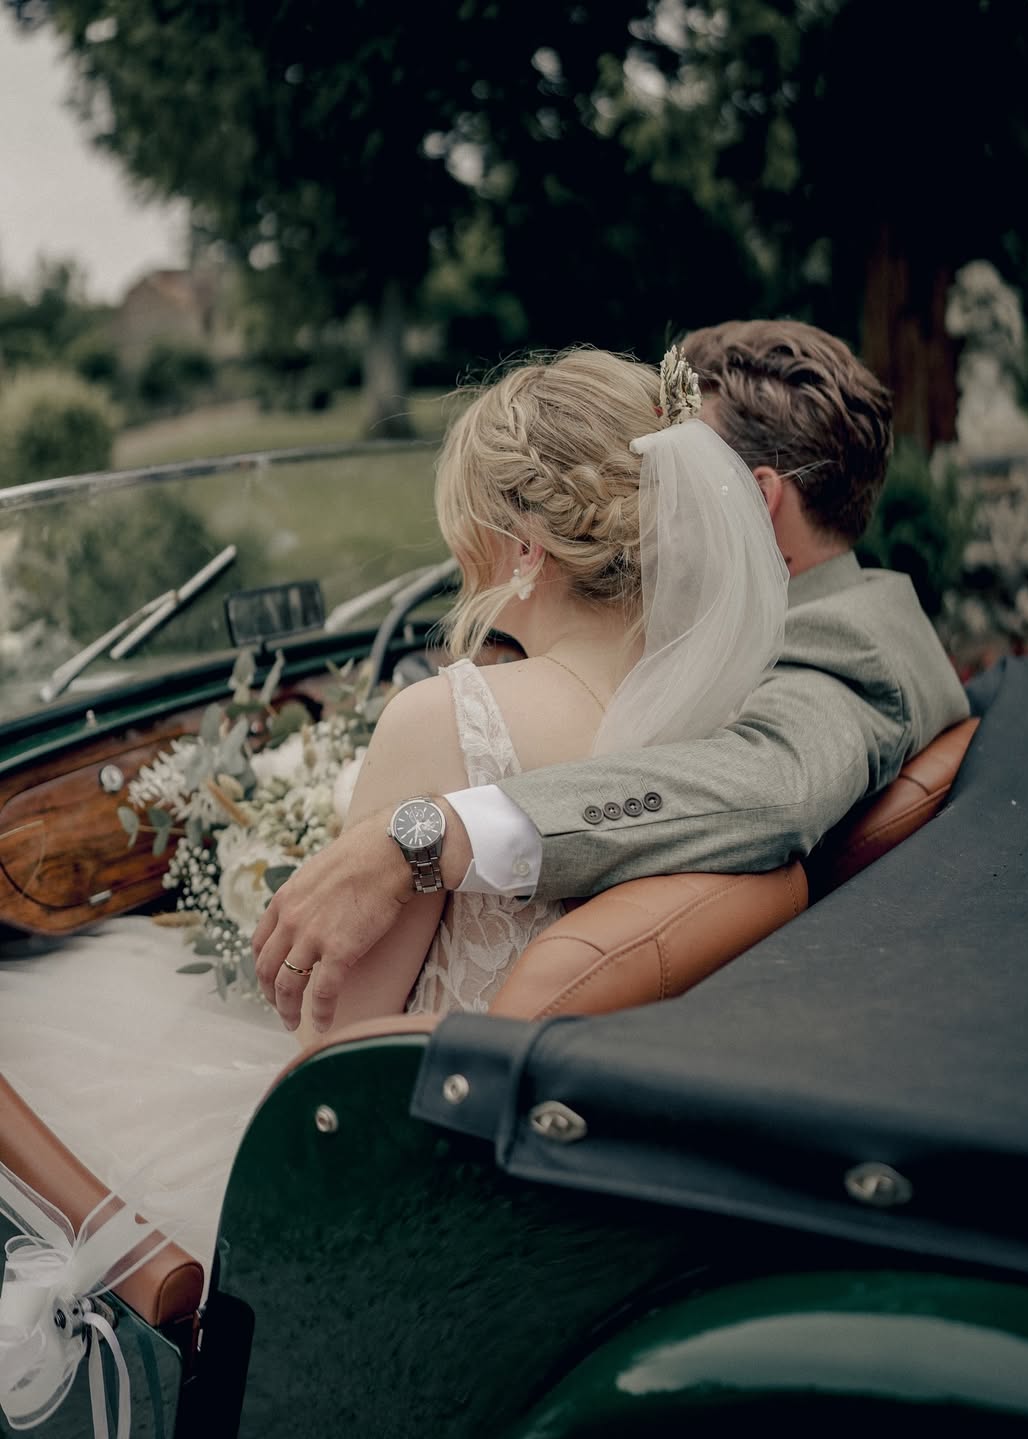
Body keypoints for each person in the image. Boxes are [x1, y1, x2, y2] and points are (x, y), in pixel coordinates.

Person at [0, 346, 789, 1285]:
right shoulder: (731, 717)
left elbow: (331, 1045)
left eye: (472, 530)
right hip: (582, 1154)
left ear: (526, 549)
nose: (460, 558)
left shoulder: (451, 718)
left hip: (400, 1168)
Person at [254, 320, 971, 1032]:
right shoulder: (725, 674)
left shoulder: (832, 656)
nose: (662, 496)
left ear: (757, 497)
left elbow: (773, 791)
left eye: (686, 468)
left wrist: (423, 830)